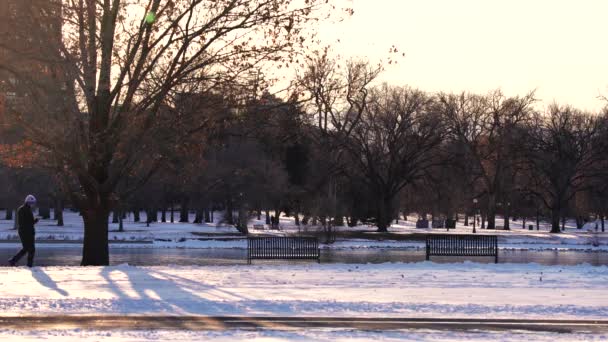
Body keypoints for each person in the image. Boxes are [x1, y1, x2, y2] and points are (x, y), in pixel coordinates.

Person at [8, 195, 39, 267]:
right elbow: (27, 222)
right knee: (31, 249)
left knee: (26, 248)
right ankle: (29, 264)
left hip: (25, 231)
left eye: (33, 203)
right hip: (26, 232)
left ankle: (13, 260)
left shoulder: (22, 209)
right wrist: (35, 221)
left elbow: (26, 222)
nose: (32, 204)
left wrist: (33, 221)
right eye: (31, 203)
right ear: (28, 202)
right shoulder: (25, 210)